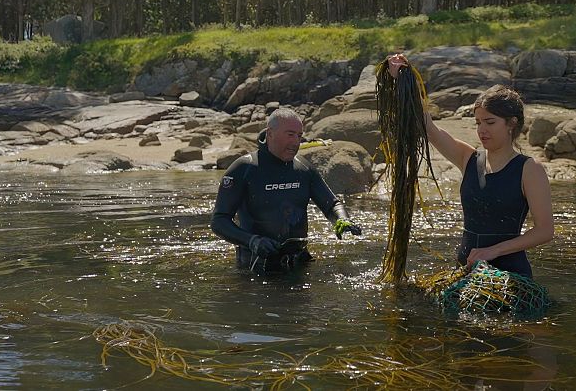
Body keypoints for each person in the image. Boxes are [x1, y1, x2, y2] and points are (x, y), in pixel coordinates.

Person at [388, 54, 554, 278]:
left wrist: (493, 251)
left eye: (490, 122)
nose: (481, 130)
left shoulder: (529, 169)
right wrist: (402, 78)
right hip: (465, 270)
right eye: (478, 122)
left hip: (511, 276)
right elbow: (430, 129)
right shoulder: (468, 158)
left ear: (511, 124)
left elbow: (545, 231)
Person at [210, 107, 362, 274]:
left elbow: (331, 204)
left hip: (299, 263)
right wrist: (253, 241)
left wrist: (342, 220)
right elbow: (219, 221)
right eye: (290, 134)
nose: (296, 142)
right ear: (270, 134)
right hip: (256, 268)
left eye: (299, 136)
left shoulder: (303, 169)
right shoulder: (244, 169)